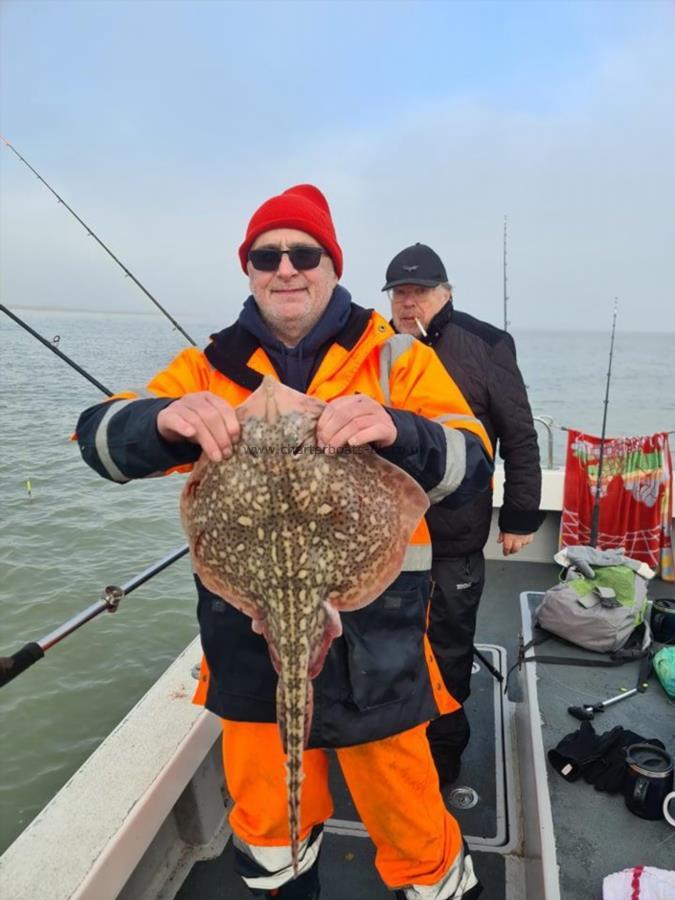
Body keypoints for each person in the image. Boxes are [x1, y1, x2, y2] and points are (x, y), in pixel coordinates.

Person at [76, 188, 493, 900]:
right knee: (270, 824)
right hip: (249, 634)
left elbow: (472, 460)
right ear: (248, 271)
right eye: (266, 256)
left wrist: (399, 429)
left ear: (333, 264)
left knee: (410, 817)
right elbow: (100, 439)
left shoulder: (396, 359)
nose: (286, 268)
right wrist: (164, 420)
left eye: (305, 253)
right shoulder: (207, 367)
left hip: (379, 642)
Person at [383, 242, 543, 788]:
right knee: (385, 645)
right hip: (386, 538)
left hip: (454, 536)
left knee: (447, 647)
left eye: (420, 292)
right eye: (400, 294)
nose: (409, 304)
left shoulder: (487, 344)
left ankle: (442, 756)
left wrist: (520, 516)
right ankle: (388, 746)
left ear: (445, 293)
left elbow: (520, 436)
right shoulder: (374, 349)